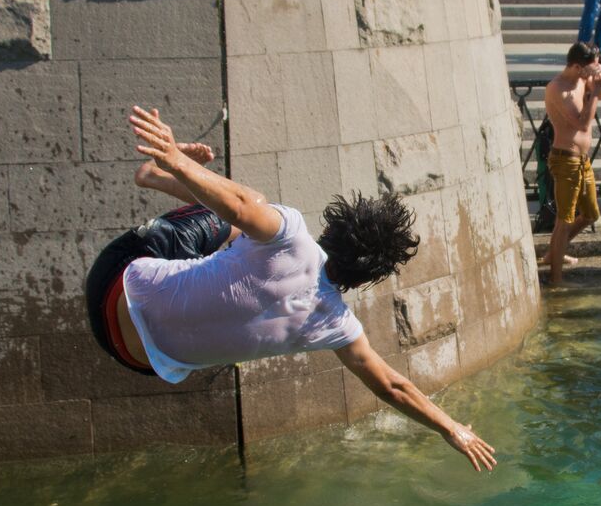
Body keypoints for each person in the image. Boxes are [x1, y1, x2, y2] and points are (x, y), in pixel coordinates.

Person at [84, 107, 497, 471]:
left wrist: (177, 161)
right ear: (367, 277)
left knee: (251, 209)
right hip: (138, 358)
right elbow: (392, 386)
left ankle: (154, 175)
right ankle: (178, 179)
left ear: (334, 226)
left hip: (113, 285)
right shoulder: (339, 326)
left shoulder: (291, 233)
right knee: (243, 226)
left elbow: (242, 206)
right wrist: (451, 428)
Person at [544, 43, 601, 285]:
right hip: (565, 159)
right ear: (577, 66)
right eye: (589, 69)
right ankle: (556, 281)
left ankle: (554, 252)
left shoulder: (582, 80)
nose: (592, 73)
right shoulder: (558, 88)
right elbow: (582, 124)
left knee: (590, 214)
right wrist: (595, 92)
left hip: (582, 159)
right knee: (564, 221)